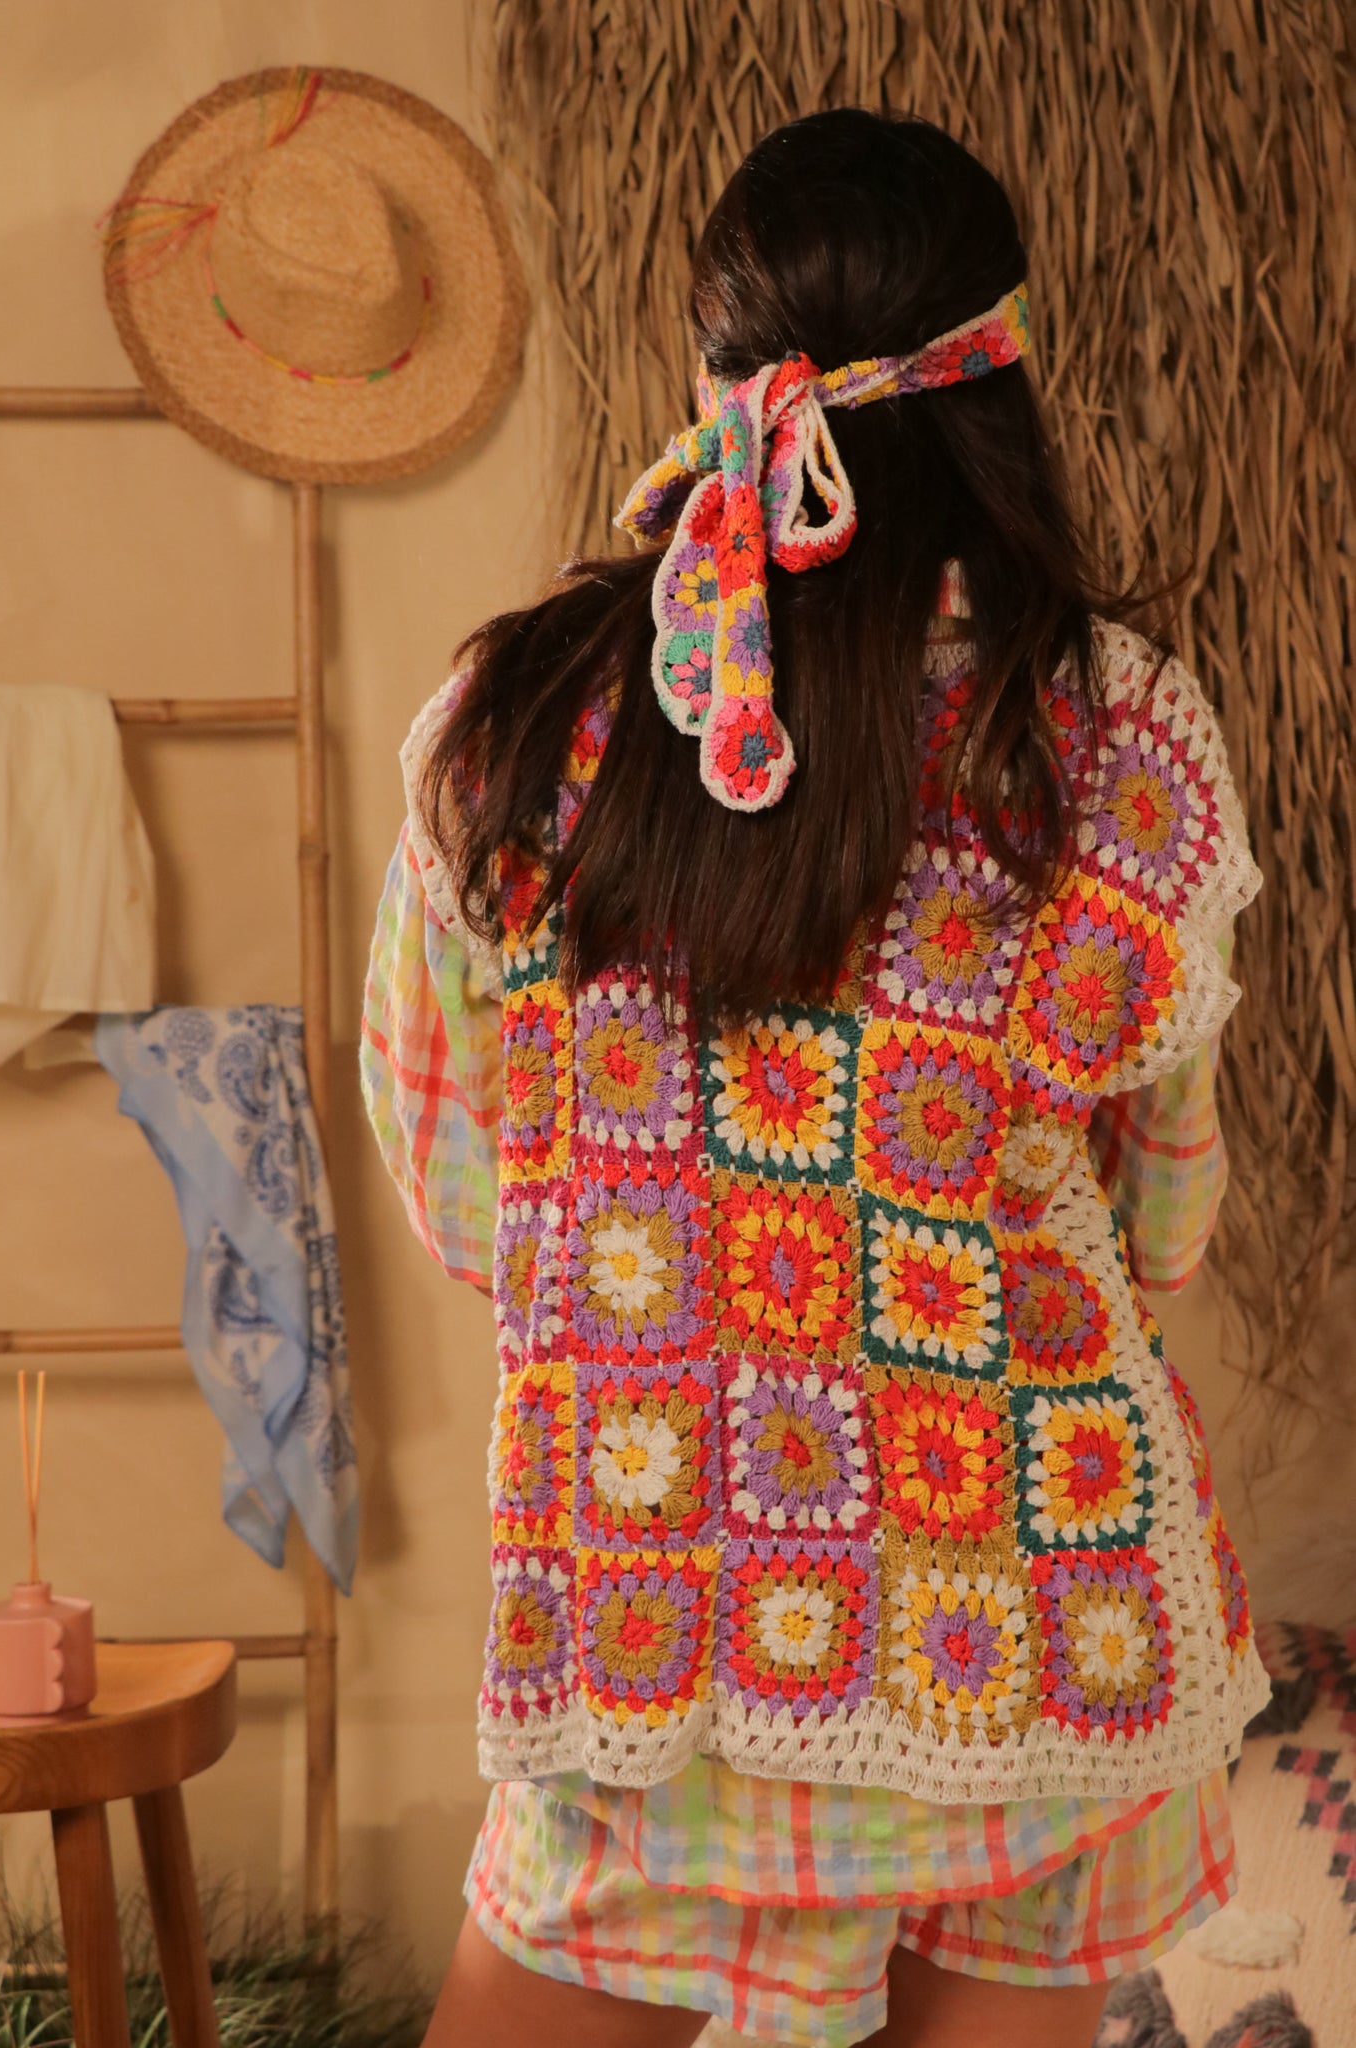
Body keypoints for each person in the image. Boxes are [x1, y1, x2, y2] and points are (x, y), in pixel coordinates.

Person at [361, 108, 1268, 2048]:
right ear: (996, 383)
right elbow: (1160, 1227)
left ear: (714, 374)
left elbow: (466, 1189)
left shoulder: (517, 724)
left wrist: (699, 1304)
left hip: (657, 1642)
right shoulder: (1116, 739)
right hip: (1035, 1643)